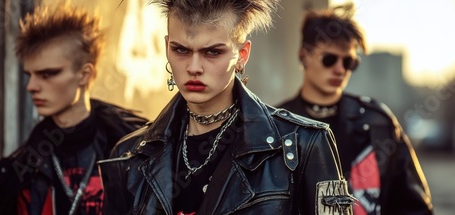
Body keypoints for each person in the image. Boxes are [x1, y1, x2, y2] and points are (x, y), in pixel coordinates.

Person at [99, 0, 354, 214]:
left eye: (212, 52)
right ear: (167, 47)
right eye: (181, 50)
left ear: (242, 55)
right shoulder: (130, 155)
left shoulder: (305, 145)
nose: (194, 67)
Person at [0, 5, 147, 215]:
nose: (31, 86)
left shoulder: (134, 153)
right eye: (30, 75)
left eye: (47, 74)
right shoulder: (21, 172)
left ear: (84, 74)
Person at [277, 3, 433, 215]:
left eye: (349, 62)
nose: (340, 70)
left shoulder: (378, 122)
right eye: (329, 59)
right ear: (304, 55)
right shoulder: (276, 126)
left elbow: (414, 208)